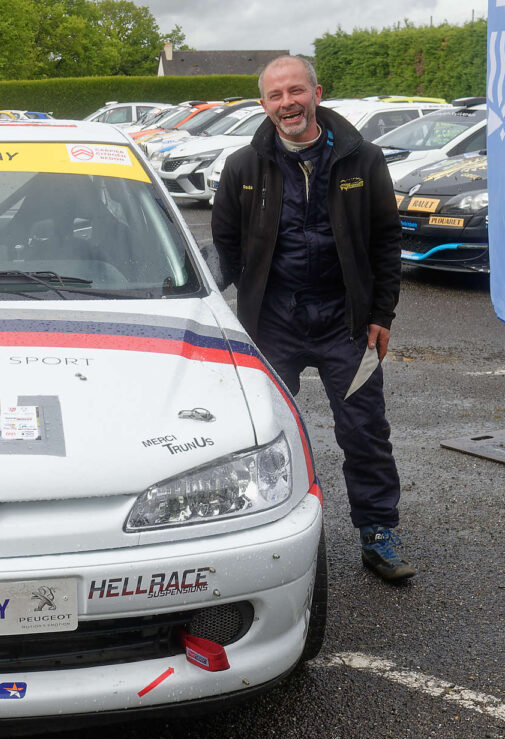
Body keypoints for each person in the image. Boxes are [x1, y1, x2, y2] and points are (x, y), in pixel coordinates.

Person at [211, 55, 414, 582]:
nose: (287, 104)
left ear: (317, 92)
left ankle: (378, 533)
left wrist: (381, 314)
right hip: (271, 322)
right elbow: (225, 247)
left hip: (346, 322)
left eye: (295, 91)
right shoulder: (242, 168)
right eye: (276, 96)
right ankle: (251, 532)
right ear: (263, 105)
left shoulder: (363, 161)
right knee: (257, 432)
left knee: (365, 431)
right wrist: (211, 308)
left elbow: (387, 241)